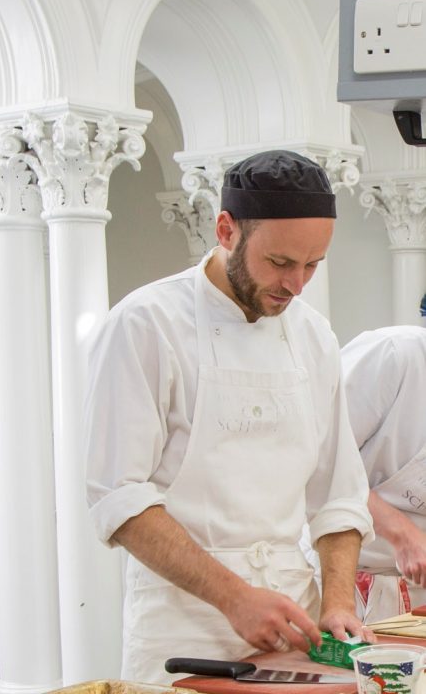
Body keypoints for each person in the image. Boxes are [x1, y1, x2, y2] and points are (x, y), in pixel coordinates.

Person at [85, 150, 374, 685]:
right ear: (226, 229)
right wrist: (234, 597)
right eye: (281, 262)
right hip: (180, 624)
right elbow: (117, 495)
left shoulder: (314, 336)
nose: (296, 285)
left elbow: (337, 496)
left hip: (297, 620)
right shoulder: (145, 324)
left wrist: (335, 604)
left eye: (312, 265)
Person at [342, 325, 426, 623]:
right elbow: (316, 462)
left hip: (416, 597)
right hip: (342, 584)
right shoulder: (395, 355)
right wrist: (402, 533)